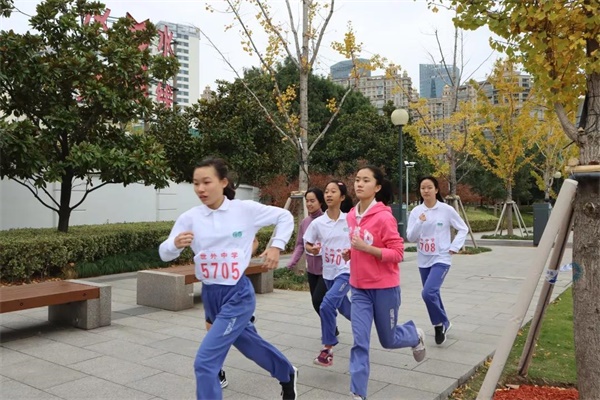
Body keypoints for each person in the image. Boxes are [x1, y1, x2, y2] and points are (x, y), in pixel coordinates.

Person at [159, 157, 298, 400]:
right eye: (195, 183)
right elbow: (164, 253)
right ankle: (287, 373)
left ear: (223, 182)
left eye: (206, 182)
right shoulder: (190, 217)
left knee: (205, 363)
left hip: (238, 294)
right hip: (211, 294)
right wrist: (174, 243)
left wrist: (276, 246)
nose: (200, 189)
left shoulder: (244, 210)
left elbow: (284, 217)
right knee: (250, 346)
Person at [344, 165, 426, 400]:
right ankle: (358, 393)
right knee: (359, 341)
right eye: (357, 179)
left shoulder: (384, 217)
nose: (359, 184)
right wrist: (351, 252)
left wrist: (367, 249)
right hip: (359, 288)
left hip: (384, 288)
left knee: (388, 340)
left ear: (377, 187)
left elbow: (398, 253)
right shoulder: (351, 215)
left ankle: (414, 335)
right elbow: (356, 244)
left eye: (366, 180)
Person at [406, 176, 468, 345]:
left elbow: (463, 228)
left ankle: (440, 323)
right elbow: (410, 237)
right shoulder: (416, 212)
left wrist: (455, 246)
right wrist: (419, 222)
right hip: (423, 259)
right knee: (433, 294)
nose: (425, 191)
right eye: (422, 188)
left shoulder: (446, 210)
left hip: (441, 258)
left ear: (436, 190)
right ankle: (440, 324)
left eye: (429, 187)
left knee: (428, 293)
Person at [304, 181, 353, 367]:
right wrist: (314, 250)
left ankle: (327, 350)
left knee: (326, 306)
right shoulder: (318, 223)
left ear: (342, 197)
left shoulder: (350, 220)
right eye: (326, 191)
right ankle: (371, 317)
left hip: (345, 272)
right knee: (347, 310)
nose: (329, 194)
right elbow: (307, 243)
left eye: (334, 192)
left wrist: (351, 254)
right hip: (328, 273)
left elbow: (361, 241)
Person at [208, 237, 259, 389]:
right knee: (213, 330)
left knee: (222, 332)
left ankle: (282, 367)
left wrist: (241, 258)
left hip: (234, 289)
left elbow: (254, 241)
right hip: (214, 287)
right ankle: (217, 371)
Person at [286, 188, 328, 317]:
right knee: (316, 303)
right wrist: (291, 262)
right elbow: (300, 244)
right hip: (311, 270)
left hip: (326, 270)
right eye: (307, 201)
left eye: (312, 201)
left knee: (318, 300)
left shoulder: (326, 220)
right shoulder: (305, 222)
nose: (309, 204)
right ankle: (331, 327)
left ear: (320, 202)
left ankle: (330, 327)